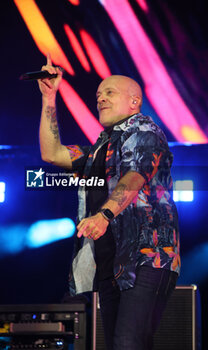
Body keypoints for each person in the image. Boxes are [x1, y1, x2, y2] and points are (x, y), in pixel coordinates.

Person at [38, 54, 180, 350]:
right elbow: (53, 154)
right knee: (122, 344)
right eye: (98, 95)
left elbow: (135, 176)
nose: (100, 98)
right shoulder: (100, 148)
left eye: (109, 92)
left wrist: (103, 215)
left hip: (147, 258)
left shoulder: (144, 131)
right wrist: (49, 98)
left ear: (134, 101)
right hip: (112, 264)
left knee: (128, 342)